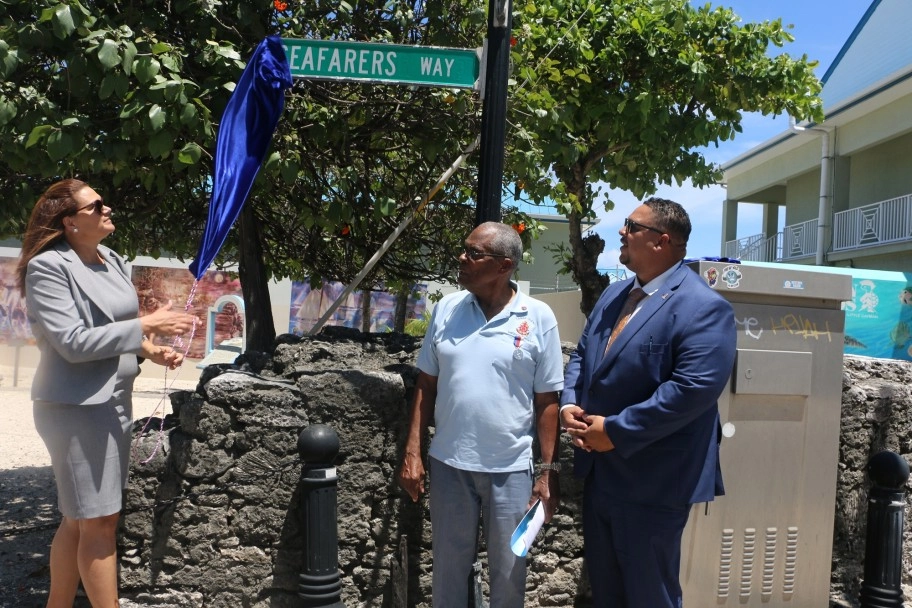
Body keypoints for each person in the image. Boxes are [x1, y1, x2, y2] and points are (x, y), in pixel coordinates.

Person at [15, 179, 197, 608]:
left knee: (78, 521)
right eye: (95, 206)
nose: (106, 208)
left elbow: (117, 330)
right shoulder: (48, 268)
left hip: (113, 400)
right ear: (70, 222)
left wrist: (151, 350)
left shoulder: (111, 259)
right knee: (99, 521)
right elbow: (74, 342)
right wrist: (148, 325)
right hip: (75, 407)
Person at [560, 198, 737, 608]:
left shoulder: (703, 308)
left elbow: (692, 390)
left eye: (630, 226)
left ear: (661, 242)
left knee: (648, 594)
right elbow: (584, 356)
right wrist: (570, 402)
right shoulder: (614, 294)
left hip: (655, 480)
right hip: (601, 475)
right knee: (607, 591)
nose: (621, 232)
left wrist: (616, 432)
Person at [398, 221, 564, 608]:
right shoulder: (447, 309)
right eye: (464, 250)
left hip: (511, 471)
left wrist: (547, 474)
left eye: (474, 253)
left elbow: (547, 403)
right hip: (449, 466)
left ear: (504, 265)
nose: (462, 258)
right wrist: (412, 453)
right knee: (447, 576)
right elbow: (425, 385)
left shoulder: (538, 317)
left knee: (508, 580)